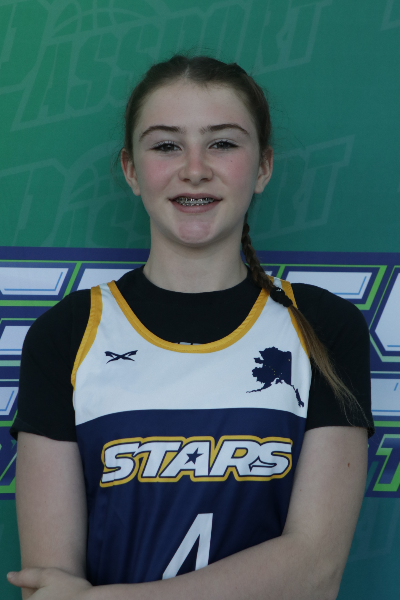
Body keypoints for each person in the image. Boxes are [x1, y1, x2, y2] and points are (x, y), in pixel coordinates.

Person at [8, 55, 373, 600]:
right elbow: (49, 583)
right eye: (166, 145)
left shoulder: (322, 328)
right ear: (131, 170)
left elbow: (315, 571)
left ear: (263, 167)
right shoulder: (66, 335)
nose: (195, 169)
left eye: (222, 143)